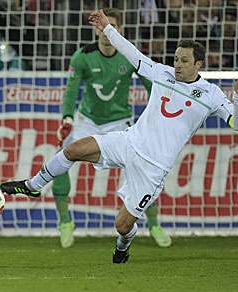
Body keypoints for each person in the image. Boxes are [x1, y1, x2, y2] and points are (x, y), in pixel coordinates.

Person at [0, 10, 238, 263]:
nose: (177, 64)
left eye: (184, 61)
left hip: (153, 166)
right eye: (176, 59)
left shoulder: (211, 94)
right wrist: (108, 28)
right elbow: (132, 53)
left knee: (122, 225)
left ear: (199, 65)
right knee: (73, 149)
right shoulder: (160, 72)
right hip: (129, 141)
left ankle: (124, 244)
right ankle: (33, 186)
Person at [52, 7, 171, 249]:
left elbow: (152, 88)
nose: (108, 32)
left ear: (120, 30)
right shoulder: (82, 56)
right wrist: (67, 117)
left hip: (120, 122)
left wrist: (159, 118)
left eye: (114, 27)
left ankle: (155, 224)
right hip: (87, 120)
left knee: (143, 170)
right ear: (97, 28)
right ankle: (65, 222)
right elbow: (71, 90)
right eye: (106, 27)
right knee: (62, 157)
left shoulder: (129, 56)